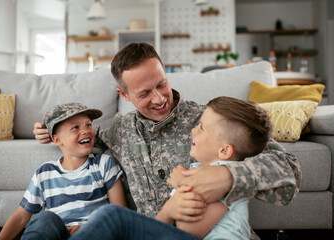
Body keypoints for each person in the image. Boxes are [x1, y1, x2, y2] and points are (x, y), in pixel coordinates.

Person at [33, 43, 301, 236]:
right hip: (149, 232)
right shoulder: (119, 130)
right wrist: (53, 129)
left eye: (161, 84)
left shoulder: (210, 120)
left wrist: (230, 177)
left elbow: (288, 169)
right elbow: (85, 139)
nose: (160, 98)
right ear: (124, 96)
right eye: (144, 93)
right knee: (44, 223)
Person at [0, 103, 126, 240]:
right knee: (44, 218)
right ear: (57, 140)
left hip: (93, 234)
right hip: (57, 234)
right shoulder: (44, 173)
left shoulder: (103, 164)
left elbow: (120, 214)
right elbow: (20, 217)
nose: (86, 130)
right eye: (75, 127)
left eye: (88, 125)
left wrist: (90, 230)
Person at [166, 96, 273, 239]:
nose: (193, 130)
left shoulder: (223, 180)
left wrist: (181, 184)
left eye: (201, 128)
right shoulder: (206, 171)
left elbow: (188, 230)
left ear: (224, 151)